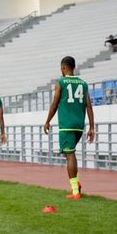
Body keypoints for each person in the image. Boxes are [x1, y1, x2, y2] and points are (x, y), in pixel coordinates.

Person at [44, 56, 95, 199]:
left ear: (64, 67)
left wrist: (47, 121)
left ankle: (75, 191)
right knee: (71, 154)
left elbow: (54, 104)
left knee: (70, 156)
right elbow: (89, 105)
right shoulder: (83, 83)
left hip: (66, 125)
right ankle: (77, 184)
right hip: (79, 125)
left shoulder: (60, 82)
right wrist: (92, 127)